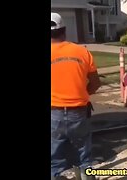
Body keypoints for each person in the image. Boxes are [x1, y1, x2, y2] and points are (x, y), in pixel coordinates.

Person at [51, 12, 101, 180]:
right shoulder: (82, 52)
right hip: (79, 112)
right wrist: (82, 92)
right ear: (64, 30)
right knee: (84, 155)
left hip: (53, 114)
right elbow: (95, 83)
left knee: (55, 157)